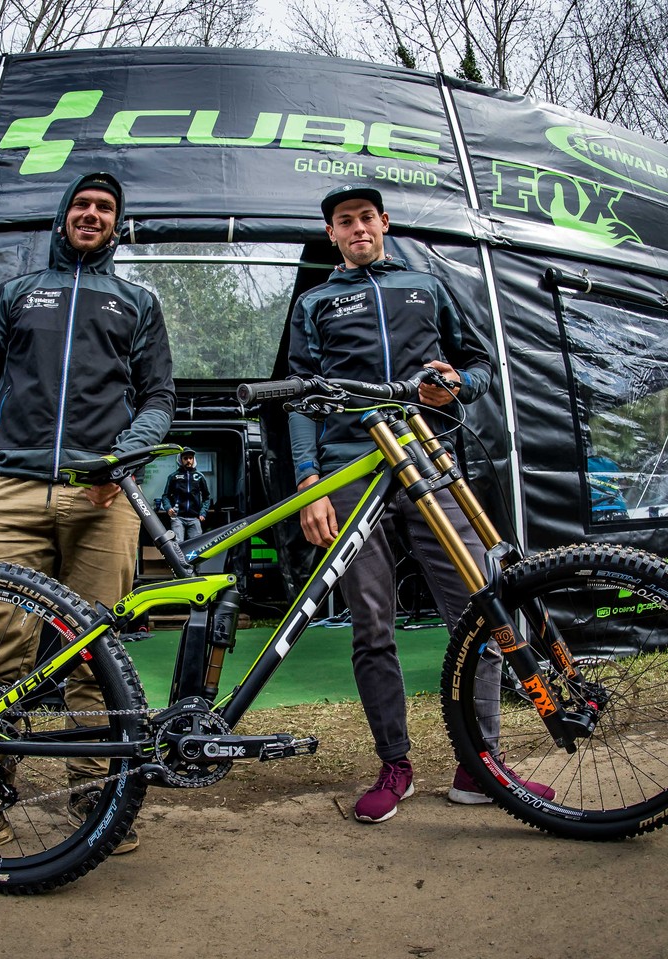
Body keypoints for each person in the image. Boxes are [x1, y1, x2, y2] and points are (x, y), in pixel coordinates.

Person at [287, 183, 551, 823]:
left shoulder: (425, 285)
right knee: (371, 623)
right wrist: (308, 485)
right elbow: (300, 396)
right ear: (332, 235)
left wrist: (457, 386)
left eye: (365, 218)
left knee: (479, 612)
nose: (357, 229)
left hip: (430, 461)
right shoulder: (315, 302)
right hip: (350, 467)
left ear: (383, 222)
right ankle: (395, 765)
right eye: (343, 222)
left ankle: (478, 765)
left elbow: (481, 363)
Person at [0, 171, 175, 854]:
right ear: (63, 216)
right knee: (2, 654)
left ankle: (94, 798)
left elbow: (159, 397)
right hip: (11, 492)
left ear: (117, 223)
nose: (92, 213)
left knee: (97, 656)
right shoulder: (16, 294)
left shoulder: (136, 301)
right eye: (82, 204)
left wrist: (122, 460)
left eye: (105, 207)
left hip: (101, 498)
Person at [161, 448, 211, 543]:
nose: (188, 460)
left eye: (190, 458)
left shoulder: (199, 477)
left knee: (196, 545)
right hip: (177, 517)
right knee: (178, 545)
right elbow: (165, 496)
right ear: (180, 459)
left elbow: (206, 497)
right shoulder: (173, 477)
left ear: (193, 459)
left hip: (194, 518)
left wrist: (203, 512)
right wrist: (168, 508)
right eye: (185, 458)